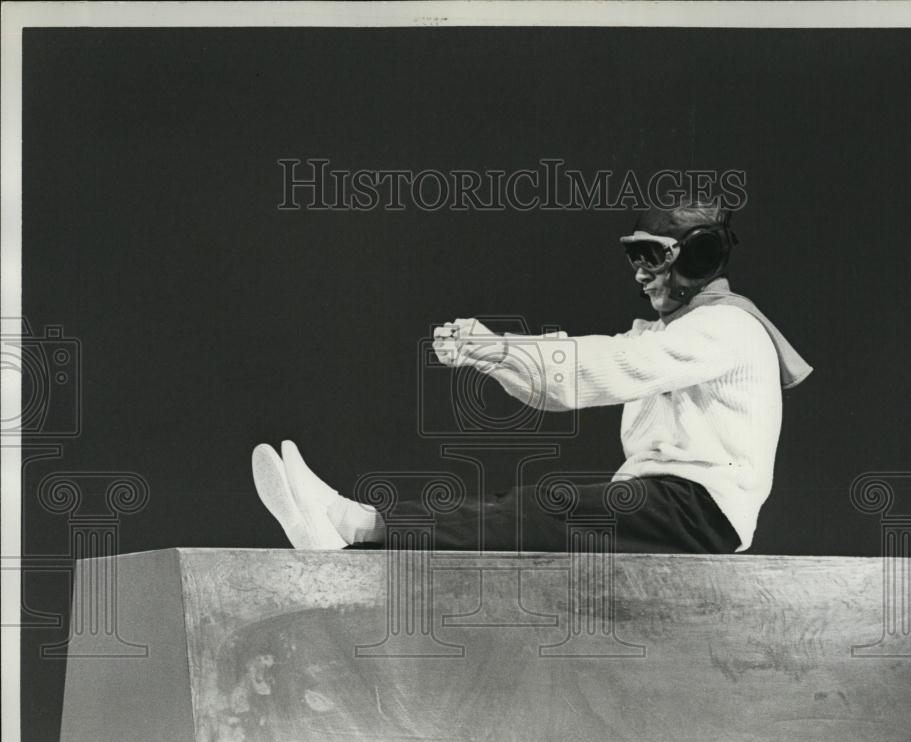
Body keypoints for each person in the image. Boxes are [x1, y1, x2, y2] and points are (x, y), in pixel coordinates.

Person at [252, 203, 812, 554]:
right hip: (664, 504)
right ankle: (355, 526)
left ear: (698, 257)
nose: (640, 273)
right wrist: (494, 350)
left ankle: (355, 525)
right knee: (521, 507)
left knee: (538, 509)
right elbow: (579, 367)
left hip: (698, 513)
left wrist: (497, 348)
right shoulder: (672, 334)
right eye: (634, 257)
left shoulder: (727, 328)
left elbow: (601, 368)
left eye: (653, 257)